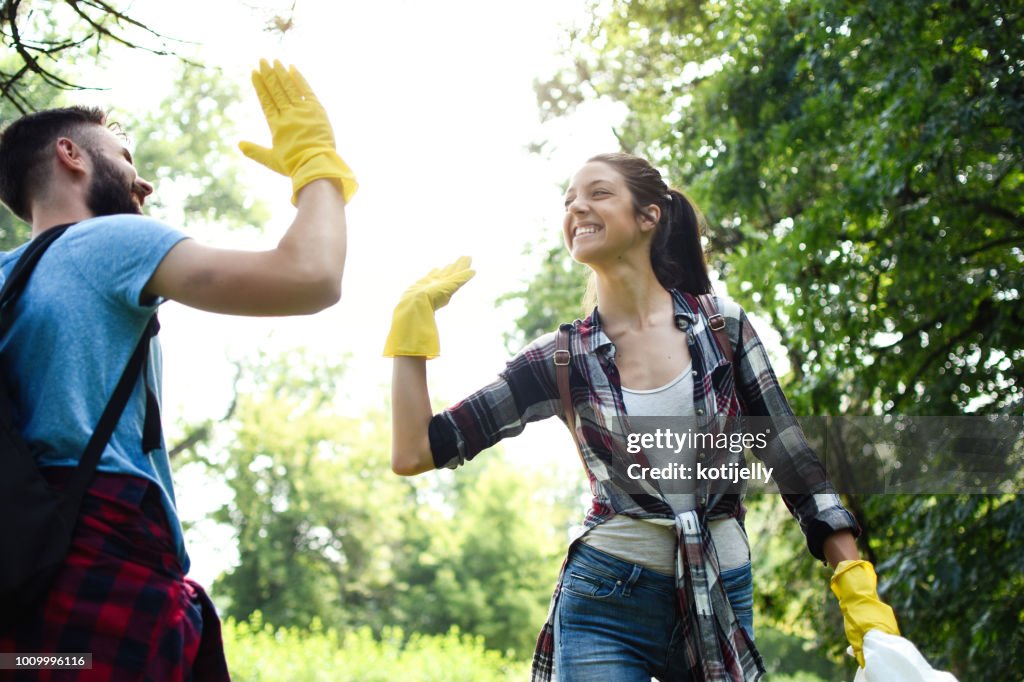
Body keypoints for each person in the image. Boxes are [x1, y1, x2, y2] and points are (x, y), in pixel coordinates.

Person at [385, 153, 900, 681]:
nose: (577, 207)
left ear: (649, 215)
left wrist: (854, 585)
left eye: (598, 193)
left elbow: (792, 460)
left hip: (718, 586)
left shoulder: (722, 329)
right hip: (606, 597)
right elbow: (418, 451)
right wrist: (410, 337)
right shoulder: (562, 357)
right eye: (568, 201)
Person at [0, 59, 355, 679]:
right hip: (99, 565)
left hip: (21, 596)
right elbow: (311, 277)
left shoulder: (5, 275)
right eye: (126, 156)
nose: (145, 185)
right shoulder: (107, 242)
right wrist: (317, 170)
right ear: (71, 155)